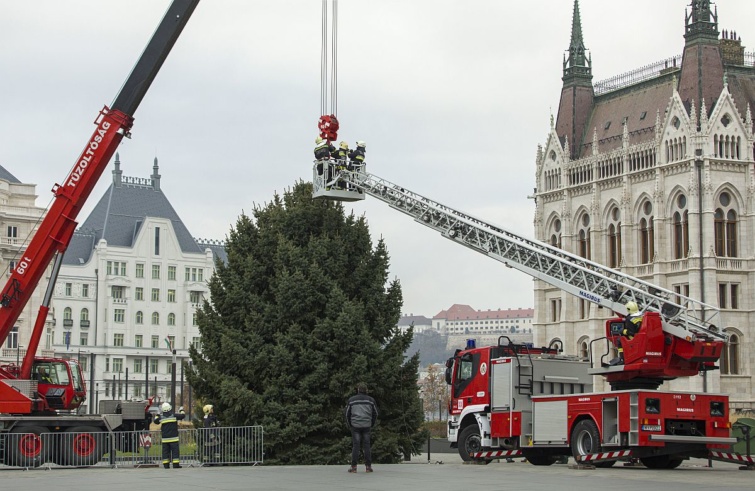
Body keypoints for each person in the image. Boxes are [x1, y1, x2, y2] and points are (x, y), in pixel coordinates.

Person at [345, 383, 378, 473]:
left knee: (356, 445)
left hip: (355, 425)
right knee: (367, 445)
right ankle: (368, 467)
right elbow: (375, 413)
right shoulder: (371, 400)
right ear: (366, 390)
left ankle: (354, 467)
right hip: (367, 425)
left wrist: (350, 424)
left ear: (358, 390)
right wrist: (371, 423)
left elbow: (347, 414)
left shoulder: (351, 400)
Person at [609, 301, 643, 365]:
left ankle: (622, 359)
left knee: (619, 340)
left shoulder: (629, 319)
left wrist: (622, 331)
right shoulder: (641, 316)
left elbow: (631, 332)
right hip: (640, 336)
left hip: (634, 338)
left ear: (628, 309)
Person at [154, 402, 185, 469]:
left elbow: (155, 421)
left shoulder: (161, 417)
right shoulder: (174, 416)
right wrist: (181, 410)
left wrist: (157, 414)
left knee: (165, 452)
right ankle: (175, 465)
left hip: (165, 439)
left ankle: (166, 465)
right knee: (175, 452)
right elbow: (182, 416)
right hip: (174, 438)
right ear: (170, 408)